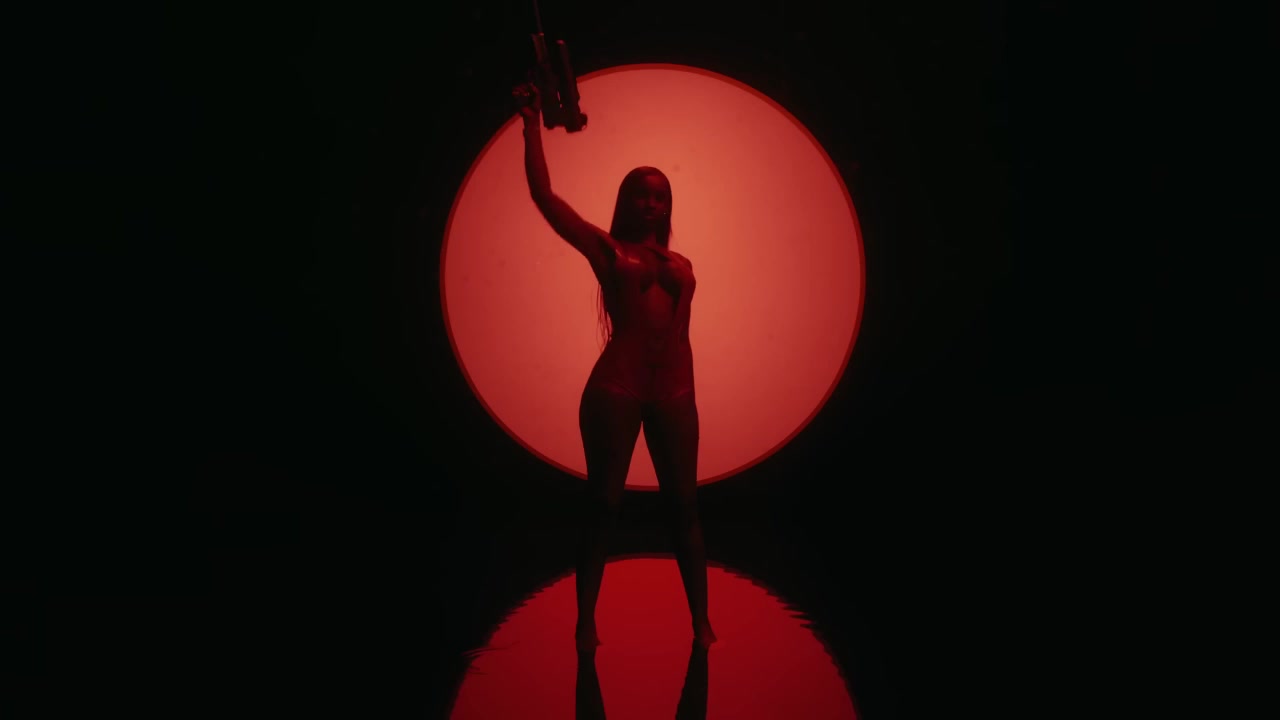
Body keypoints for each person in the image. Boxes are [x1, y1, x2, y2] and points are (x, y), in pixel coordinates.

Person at [514, 81, 717, 653]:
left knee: (685, 506)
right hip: (618, 384)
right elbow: (546, 198)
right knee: (603, 503)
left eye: (661, 196)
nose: (652, 204)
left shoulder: (681, 261)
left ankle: (702, 625)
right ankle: (585, 622)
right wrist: (531, 125)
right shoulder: (607, 249)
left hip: (675, 387)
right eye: (642, 195)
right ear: (627, 202)